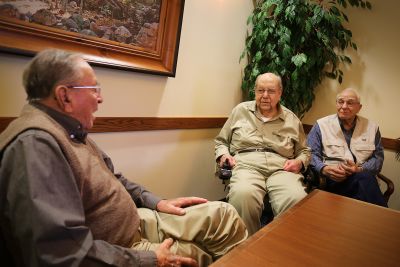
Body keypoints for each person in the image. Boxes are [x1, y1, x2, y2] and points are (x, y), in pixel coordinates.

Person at [0, 49, 248, 267]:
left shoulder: (68, 130)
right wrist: (151, 260)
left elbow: (113, 177)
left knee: (223, 215)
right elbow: (61, 253)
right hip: (119, 249)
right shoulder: (34, 146)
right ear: (65, 96)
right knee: (199, 255)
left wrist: (156, 202)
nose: (100, 98)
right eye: (94, 89)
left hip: (137, 221)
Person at [214, 72, 311, 235]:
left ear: (280, 93)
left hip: (282, 168)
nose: (265, 96)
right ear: (255, 91)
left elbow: (304, 151)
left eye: (271, 91)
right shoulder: (240, 111)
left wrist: (299, 162)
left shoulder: (292, 119)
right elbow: (221, 142)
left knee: (296, 198)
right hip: (246, 166)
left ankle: (277, 245)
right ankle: (244, 246)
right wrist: (223, 155)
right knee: (243, 195)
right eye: (260, 90)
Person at [307, 88, 387, 206]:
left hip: (361, 179)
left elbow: (378, 159)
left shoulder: (372, 127)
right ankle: (385, 219)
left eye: (350, 103)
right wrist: (324, 168)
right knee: (366, 183)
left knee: (363, 179)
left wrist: (359, 169)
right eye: (340, 101)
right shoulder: (321, 125)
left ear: (359, 107)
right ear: (336, 104)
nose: (344, 106)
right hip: (332, 180)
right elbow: (310, 154)